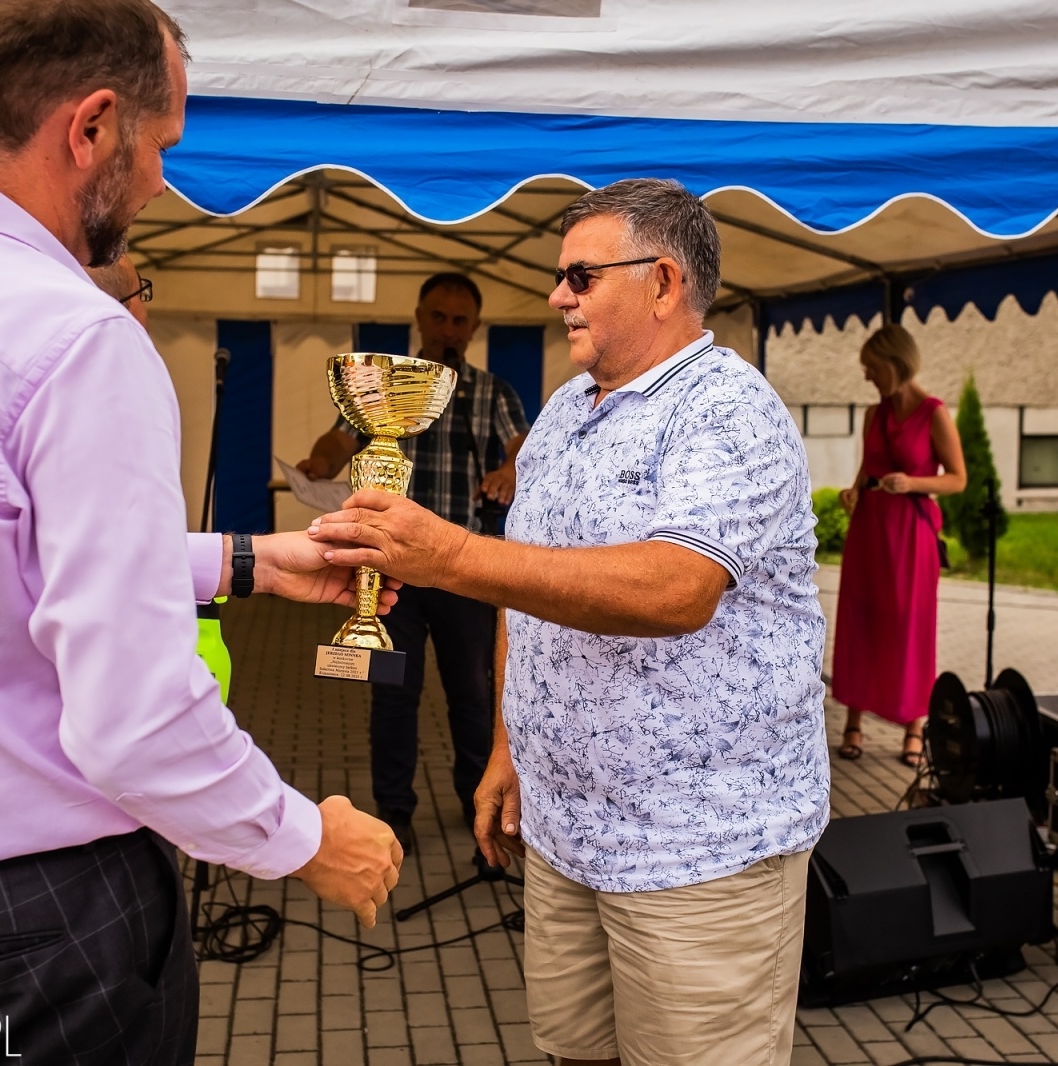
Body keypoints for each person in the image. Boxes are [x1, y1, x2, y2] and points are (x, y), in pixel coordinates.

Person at [0, 3, 402, 1063]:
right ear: (93, 126)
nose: (159, 183)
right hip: (37, 923)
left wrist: (246, 560)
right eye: (162, 148)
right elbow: (136, 720)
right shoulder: (74, 338)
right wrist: (304, 839)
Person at [308, 178, 829, 1066]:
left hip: (697, 847)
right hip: (565, 833)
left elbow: (678, 588)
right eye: (561, 277)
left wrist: (451, 559)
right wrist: (512, 747)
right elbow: (530, 588)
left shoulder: (729, 410)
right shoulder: (559, 412)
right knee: (573, 1054)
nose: (556, 297)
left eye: (580, 277)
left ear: (663, 282)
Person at [297, 273, 529, 855]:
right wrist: (319, 462)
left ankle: (476, 801)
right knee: (392, 690)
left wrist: (508, 472)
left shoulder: (490, 390)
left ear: (473, 328)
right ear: (420, 318)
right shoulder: (383, 385)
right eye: (439, 317)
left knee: (474, 696)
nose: (448, 328)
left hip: (463, 569)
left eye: (460, 320)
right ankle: (394, 809)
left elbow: (519, 444)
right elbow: (337, 438)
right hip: (389, 570)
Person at [90, 255, 233, 701]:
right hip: (116, 654)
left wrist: (247, 562)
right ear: (122, 307)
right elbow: (119, 550)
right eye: (141, 294)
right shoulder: (111, 390)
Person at [831, 324, 967, 766]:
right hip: (870, 526)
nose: (868, 377)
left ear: (895, 364)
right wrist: (854, 491)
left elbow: (957, 478)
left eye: (872, 368)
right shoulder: (874, 414)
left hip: (912, 531)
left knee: (910, 624)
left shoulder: (933, 413)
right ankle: (854, 721)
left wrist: (914, 482)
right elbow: (868, 468)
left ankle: (914, 725)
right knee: (862, 620)